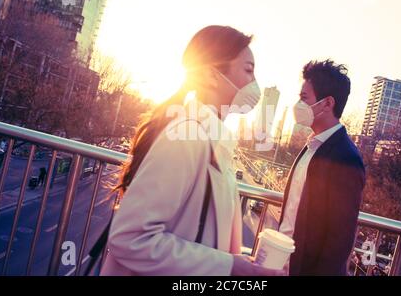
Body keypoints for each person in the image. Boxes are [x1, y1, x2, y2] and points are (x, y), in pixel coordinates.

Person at [100, 25, 283, 276]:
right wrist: (228, 267)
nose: (255, 83)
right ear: (210, 75)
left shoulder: (211, 139)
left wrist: (237, 264)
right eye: (248, 70)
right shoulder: (186, 137)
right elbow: (130, 237)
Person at [279, 59, 366, 276]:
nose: (298, 105)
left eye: (304, 98)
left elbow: (339, 242)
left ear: (327, 103)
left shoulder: (346, 157)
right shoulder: (312, 146)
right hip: (284, 265)